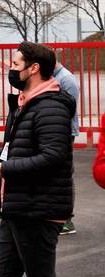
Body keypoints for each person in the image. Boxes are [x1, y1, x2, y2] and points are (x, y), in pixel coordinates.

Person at [0, 42, 75, 277]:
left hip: (38, 207)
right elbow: (19, 146)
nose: (11, 69)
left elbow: (54, 156)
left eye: (15, 63)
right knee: (5, 273)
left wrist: (4, 169)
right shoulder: (26, 104)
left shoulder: (50, 107)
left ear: (34, 68)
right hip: (18, 205)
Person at [52, 61, 79, 236]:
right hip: (58, 131)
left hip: (64, 132)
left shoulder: (66, 79)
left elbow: (68, 110)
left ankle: (67, 220)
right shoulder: (56, 77)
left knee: (64, 173)